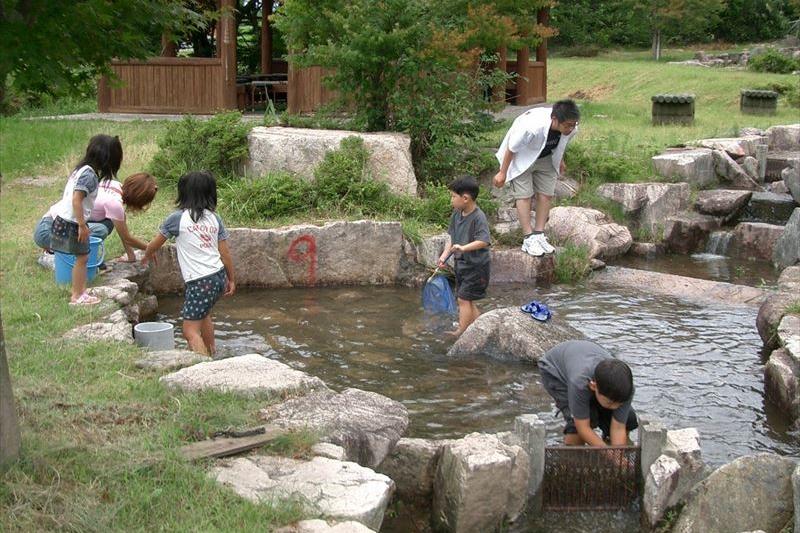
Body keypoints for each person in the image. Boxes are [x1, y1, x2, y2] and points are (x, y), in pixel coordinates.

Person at [142, 171, 236, 356]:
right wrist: (231, 279)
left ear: (182, 193)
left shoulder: (177, 219)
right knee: (204, 315)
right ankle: (211, 355)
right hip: (217, 276)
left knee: (189, 331)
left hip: (200, 282)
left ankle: (203, 369)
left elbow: (156, 243)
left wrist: (147, 254)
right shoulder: (215, 219)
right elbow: (225, 253)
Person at [493, 99, 581, 257]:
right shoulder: (532, 127)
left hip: (545, 158)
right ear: (555, 119)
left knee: (546, 194)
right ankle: (528, 238)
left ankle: (539, 234)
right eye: (567, 125)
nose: (571, 128)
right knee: (524, 195)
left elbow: (561, 142)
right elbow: (511, 148)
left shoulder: (571, 127)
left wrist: (561, 160)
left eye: (573, 124)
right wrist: (502, 172)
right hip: (520, 157)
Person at [46, 134, 123, 305]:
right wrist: (82, 225)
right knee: (82, 258)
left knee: (82, 257)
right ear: (107, 159)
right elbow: (76, 199)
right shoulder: (89, 176)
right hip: (72, 222)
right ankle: (77, 295)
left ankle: (80, 291)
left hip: (65, 219)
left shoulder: (80, 170)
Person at [35, 172, 158, 263]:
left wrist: (131, 256)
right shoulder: (114, 203)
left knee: (108, 222)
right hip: (47, 233)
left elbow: (122, 227)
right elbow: (127, 238)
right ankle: (53, 254)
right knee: (101, 229)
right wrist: (150, 248)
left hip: (49, 223)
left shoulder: (113, 185)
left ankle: (65, 252)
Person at [539, 340, 638, 446]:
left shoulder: (627, 388)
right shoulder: (579, 383)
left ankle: (607, 439)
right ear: (593, 386)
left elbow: (618, 427)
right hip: (555, 371)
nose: (614, 407)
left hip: (584, 360)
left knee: (628, 418)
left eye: (619, 404)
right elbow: (582, 427)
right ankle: (572, 453)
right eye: (610, 403)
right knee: (585, 419)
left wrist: (618, 455)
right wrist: (608, 453)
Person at [437, 175, 491, 337]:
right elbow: (451, 239)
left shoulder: (478, 217)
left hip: (477, 267)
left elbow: (484, 241)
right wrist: (444, 256)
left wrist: (464, 247)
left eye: (453, 196)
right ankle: (481, 325)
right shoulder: (456, 214)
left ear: (465, 198)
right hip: (462, 265)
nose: (451, 200)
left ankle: (461, 331)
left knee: (463, 299)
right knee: (466, 299)